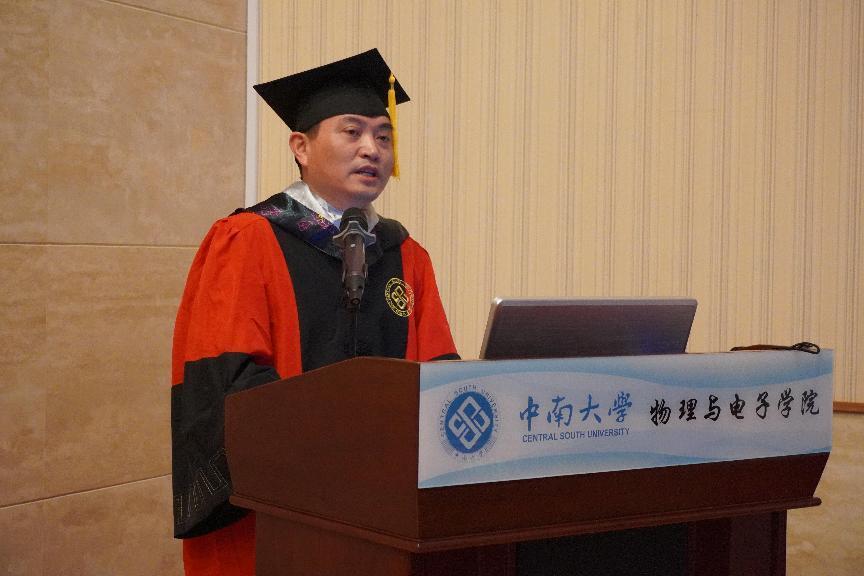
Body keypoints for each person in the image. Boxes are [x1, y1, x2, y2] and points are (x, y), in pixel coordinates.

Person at [170, 49, 459, 575]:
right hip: (279, 513)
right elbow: (228, 383)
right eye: (352, 132)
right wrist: (336, 454)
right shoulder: (248, 239)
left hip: (384, 511)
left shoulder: (405, 255)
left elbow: (437, 371)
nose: (372, 149)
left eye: (384, 136)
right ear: (301, 147)